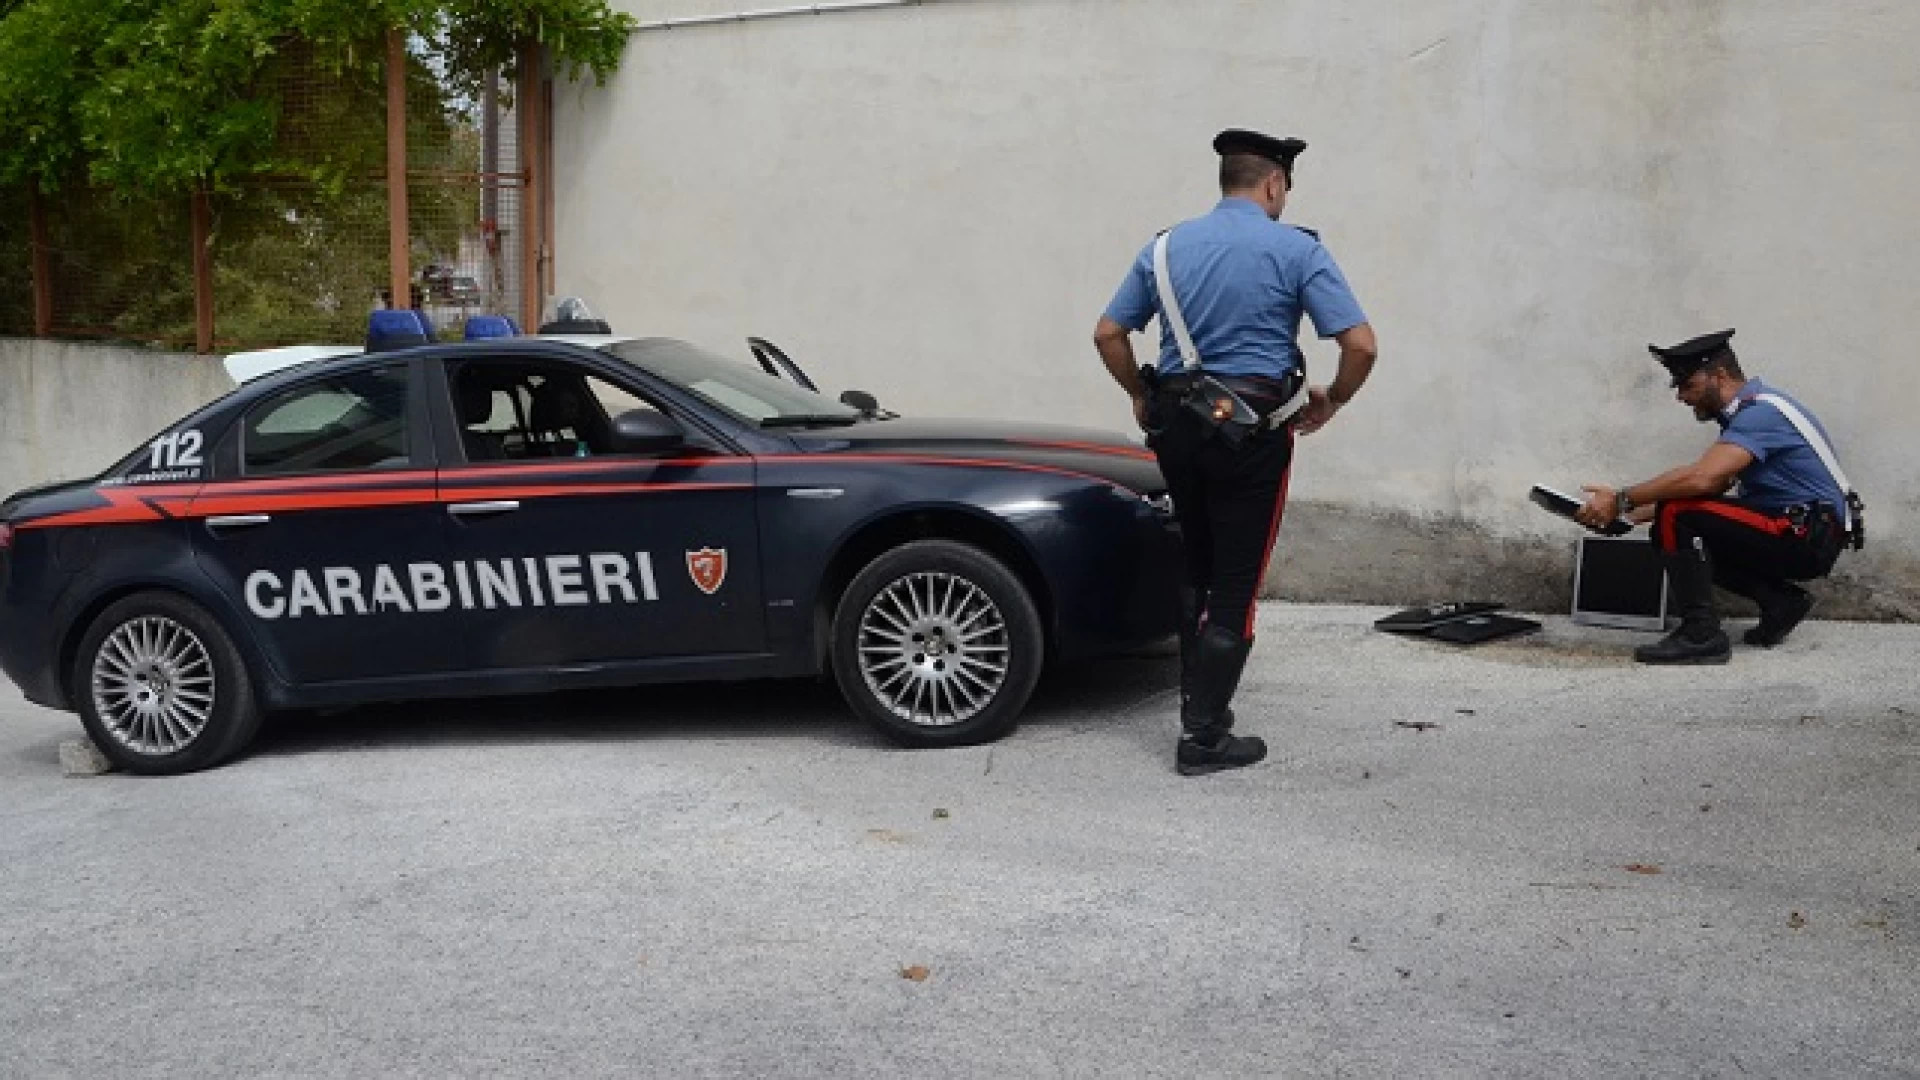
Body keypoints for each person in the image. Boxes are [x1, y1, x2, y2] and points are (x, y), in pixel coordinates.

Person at [1093, 128, 1379, 776]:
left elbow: (1109, 333)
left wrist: (1140, 392)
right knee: (1236, 587)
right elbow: (1361, 345)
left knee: (1197, 561)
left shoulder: (1163, 249)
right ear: (1275, 183)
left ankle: (1202, 706)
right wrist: (1333, 398)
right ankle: (1203, 738)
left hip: (1177, 427)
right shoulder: (1296, 249)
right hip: (1251, 435)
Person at [1576, 329, 1857, 664]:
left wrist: (1621, 498)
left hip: (1805, 534)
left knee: (1677, 514)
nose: (1681, 396)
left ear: (1720, 375)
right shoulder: (1748, 415)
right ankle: (1780, 601)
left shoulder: (1761, 414)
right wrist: (1625, 516)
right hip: (1806, 531)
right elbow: (1714, 487)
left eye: (1687, 385)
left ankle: (1701, 634)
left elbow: (1700, 479)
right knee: (1672, 523)